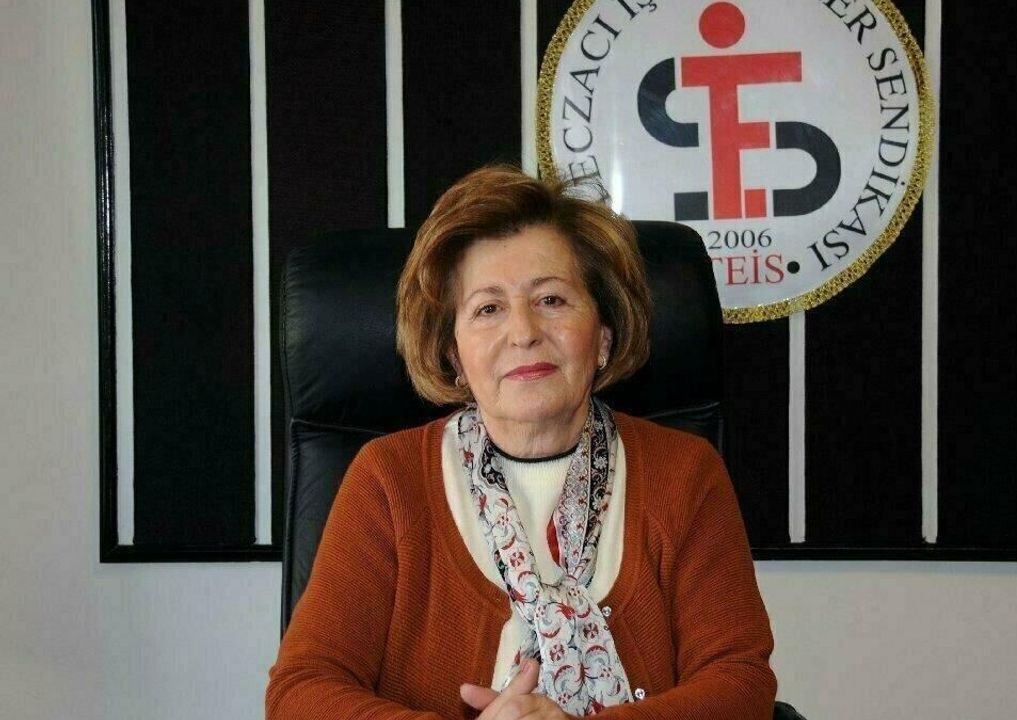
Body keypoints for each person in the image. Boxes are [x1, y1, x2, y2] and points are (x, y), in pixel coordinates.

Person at [266, 166, 775, 719]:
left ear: (603, 337)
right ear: (454, 354)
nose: (524, 332)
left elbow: (739, 682)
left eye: (551, 299)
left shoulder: (684, 472)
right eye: (488, 308)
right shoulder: (389, 478)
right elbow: (301, 692)